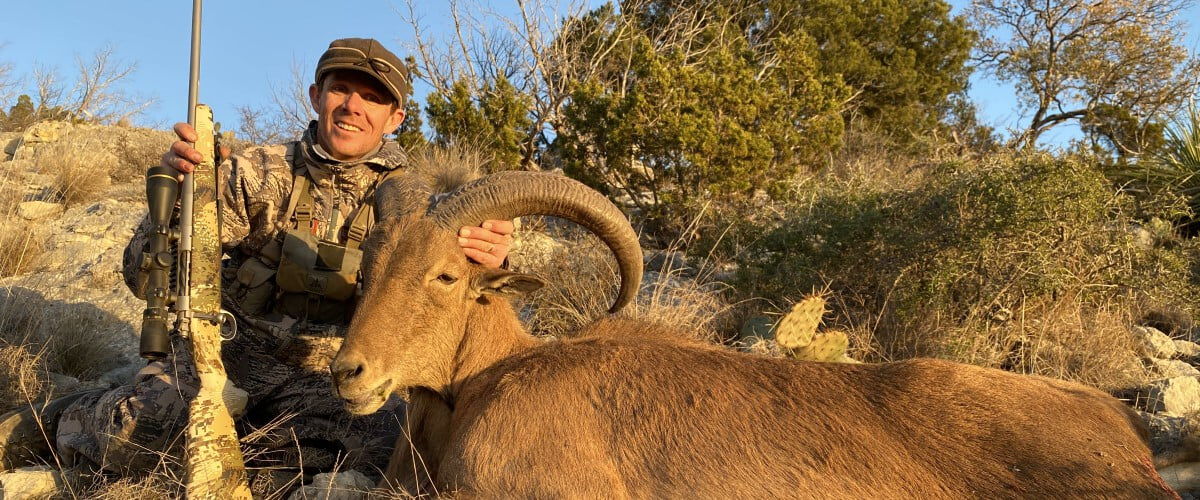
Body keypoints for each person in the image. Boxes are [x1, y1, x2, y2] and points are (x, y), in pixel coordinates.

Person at [0, 38, 513, 491]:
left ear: (396, 117)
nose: (354, 106)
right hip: (227, 357)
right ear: (316, 96)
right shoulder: (254, 171)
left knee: (379, 453)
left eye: (374, 97)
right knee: (139, 430)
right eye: (340, 89)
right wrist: (174, 201)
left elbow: (460, 314)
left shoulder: (421, 209)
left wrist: (489, 257)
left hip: (330, 377)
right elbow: (140, 276)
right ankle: (46, 422)